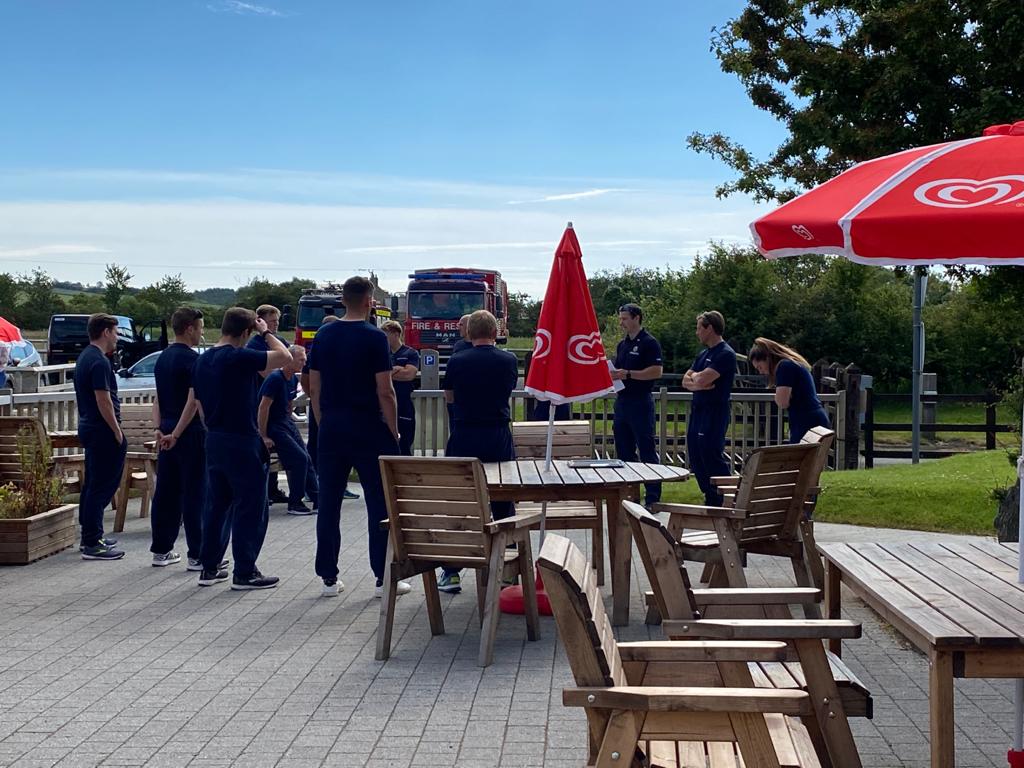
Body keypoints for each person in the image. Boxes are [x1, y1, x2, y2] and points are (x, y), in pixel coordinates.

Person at [309, 276, 408, 599]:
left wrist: (323, 420)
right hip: (367, 426)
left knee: (329, 502)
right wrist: (392, 429)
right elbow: (385, 390)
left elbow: (314, 384)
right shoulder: (374, 338)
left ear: (343, 300)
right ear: (369, 301)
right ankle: (382, 577)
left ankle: (327, 577)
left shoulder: (323, 335)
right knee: (378, 502)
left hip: (333, 426)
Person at [193, 307, 291, 590]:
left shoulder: (203, 360)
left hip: (214, 438)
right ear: (246, 332)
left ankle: (209, 566)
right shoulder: (238, 356)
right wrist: (267, 332)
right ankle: (245, 571)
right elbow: (284, 358)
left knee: (217, 505)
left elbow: (198, 404)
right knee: (250, 506)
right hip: (241, 439)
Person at [439, 309, 519, 594]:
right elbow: (508, 391)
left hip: (464, 433)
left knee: (461, 499)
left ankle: (451, 572)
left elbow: (450, 395)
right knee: (503, 499)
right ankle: (507, 571)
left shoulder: (458, 360)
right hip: (497, 433)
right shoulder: (508, 360)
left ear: (470, 333)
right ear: (495, 333)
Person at [150, 307, 207, 569]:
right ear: (189, 329)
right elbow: (193, 401)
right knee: (195, 492)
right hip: (187, 433)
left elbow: (158, 398)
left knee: (167, 491)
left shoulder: (162, 358)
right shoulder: (193, 360)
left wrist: (159, 429)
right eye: (200, 328)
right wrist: (177, 433)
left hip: (166, 429)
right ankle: (197, 553)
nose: (202, 333)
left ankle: (161, 550)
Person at [73, 313, 127, 560]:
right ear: (105, 332)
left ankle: (90, 535)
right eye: (115, 332)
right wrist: (117, 431)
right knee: (103, 485)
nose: (117, 337)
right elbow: (103, 399)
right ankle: (93, 542)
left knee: (93, 483)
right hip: (102, 430)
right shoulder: (99, 361)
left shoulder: (85, 357)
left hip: (89, 427)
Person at [609, 303, 664, 507]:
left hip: (641, 401)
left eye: (625, 319)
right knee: (624, 449)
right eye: (620, 318)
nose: (621, 323)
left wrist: (629, 374)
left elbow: (656, 371)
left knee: (646, 449)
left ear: (636, 318)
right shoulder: (622, 345)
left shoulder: (649, 343)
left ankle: (653, 497)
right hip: (622, 401)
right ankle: (631, 494)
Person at [300, 316, 359, 500]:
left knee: (334, 449)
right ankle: (313, 488)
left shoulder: (322, 352)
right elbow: (306, 380)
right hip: (326, 407)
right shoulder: (319, 353)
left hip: (328, 406)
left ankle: (335, 487)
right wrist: (315, 398)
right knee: (318, 447)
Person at [682, 311, 737, 507]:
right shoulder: (703, 354)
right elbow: (685, 380)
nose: (697, 333)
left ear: (710, 328)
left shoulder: (725, 354)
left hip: (714, 411)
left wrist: (697, 380)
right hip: (698, 410)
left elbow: (702, 378)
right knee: (696, 453)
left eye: (699, 328)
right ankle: (710, 496)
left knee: (710, 453)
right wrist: (697, 382)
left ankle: (727, 497)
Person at [258, 345, 319, 515]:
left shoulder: (292, 379)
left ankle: (317, 499)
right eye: (301, 359)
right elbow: (263, 407)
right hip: (274, 425)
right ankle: (295, 502)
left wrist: (290, 421)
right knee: (299, 459)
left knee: (307, 457)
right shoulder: (275, 379)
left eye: (305, 360)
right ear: (290, 359)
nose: (304, 363)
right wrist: (263, 435)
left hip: (286, 422)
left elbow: (289, 402)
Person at [748, 337, 830, 443]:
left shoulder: (784, 367)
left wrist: (778, 397)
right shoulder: (790, 364)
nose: (761, 372)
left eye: (759, 367)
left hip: (807, 421)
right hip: (810, 418)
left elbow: (782, 402)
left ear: (767, 359)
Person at [247, 304, 289, 506]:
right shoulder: (254, 345)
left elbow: (290, 366)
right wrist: (282, 367)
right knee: (264, 445)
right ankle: (264, 490)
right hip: (263, 399)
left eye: (277, 321)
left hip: (281, 402)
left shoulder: (279, 341)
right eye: (272, 321)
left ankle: (274, 489)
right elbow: (266, 372)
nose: (276, 325)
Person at [382, 321, 419, 456]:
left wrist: (387, 373)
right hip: (386, 403)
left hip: (404, 403)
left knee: (405, 443)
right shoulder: (382, 354)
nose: (384, 338)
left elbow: (409, 375)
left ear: (396, 334)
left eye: (386, 335)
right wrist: (396, 370)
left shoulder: (410, 353)